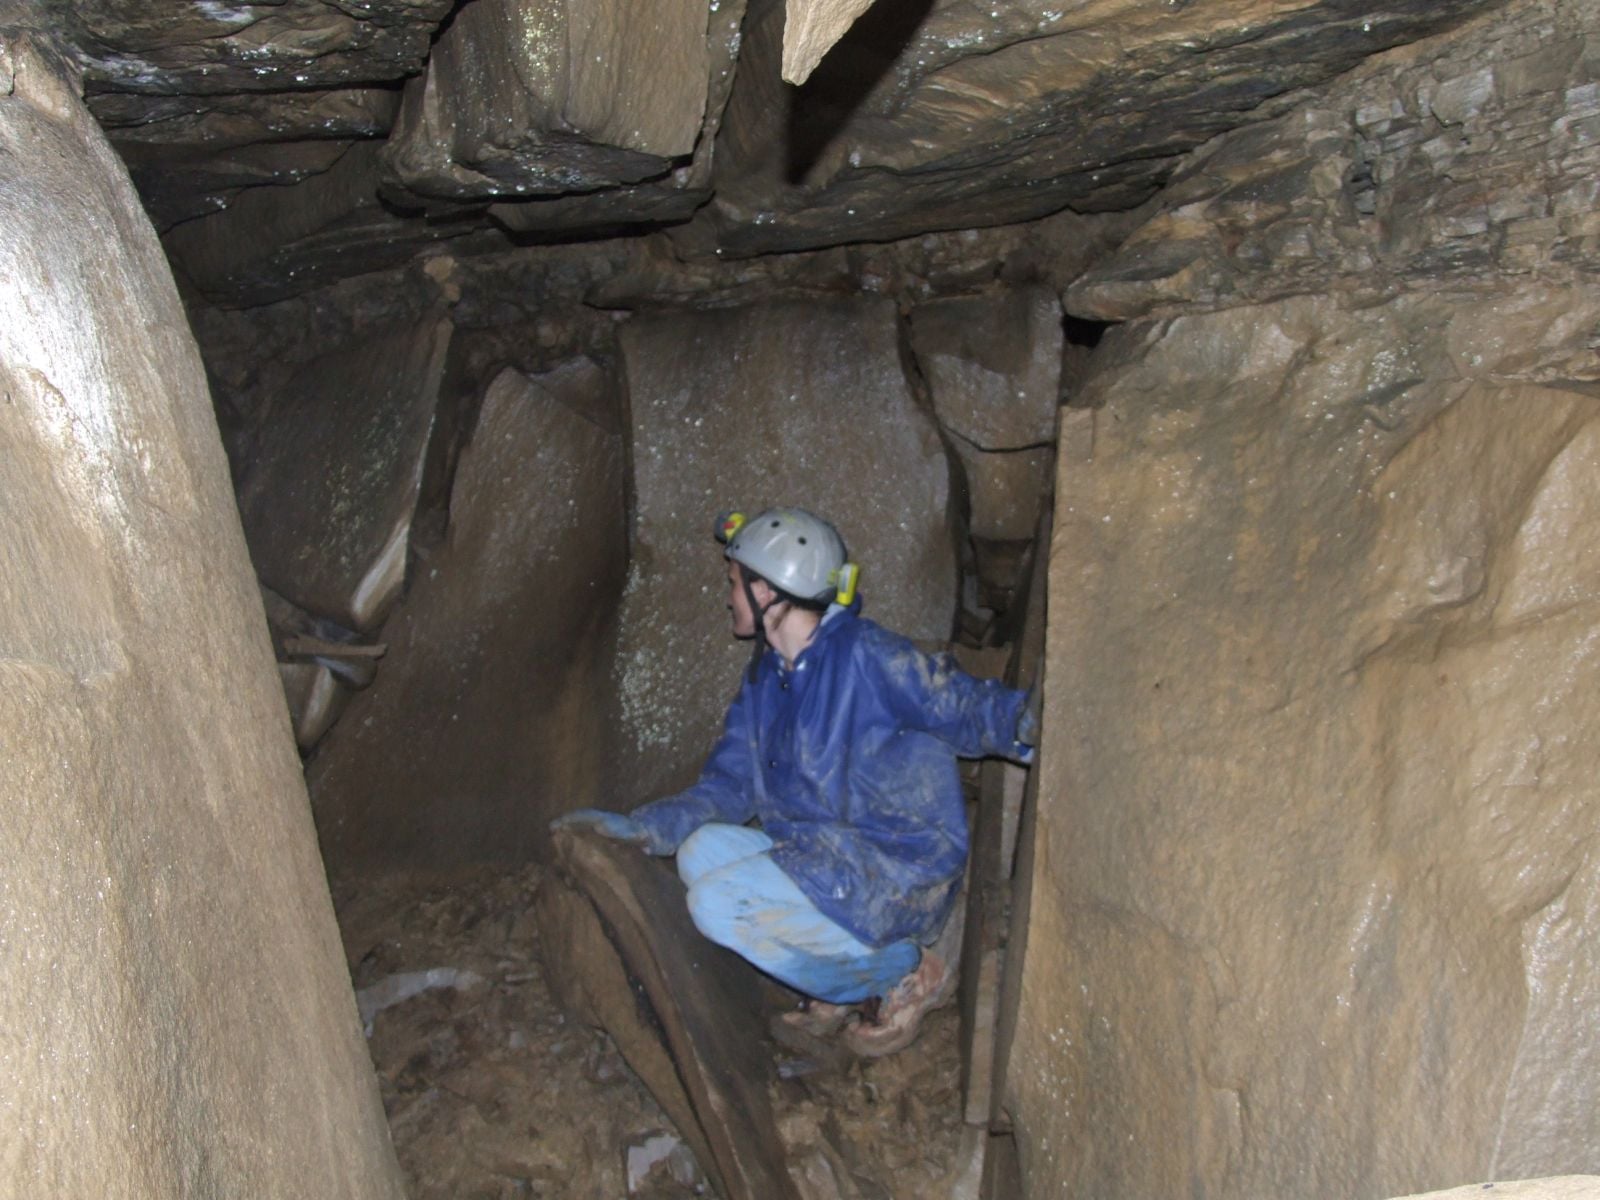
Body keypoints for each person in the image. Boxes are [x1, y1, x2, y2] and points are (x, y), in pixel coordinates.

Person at [553, 506, 1036, 1056]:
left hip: (896, 869)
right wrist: (644, 829)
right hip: (825, 856)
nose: (727, 595)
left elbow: (959, 704)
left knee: (715, 904)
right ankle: (834, 971)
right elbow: (728, 787)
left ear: (768, 592)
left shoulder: (866, 655)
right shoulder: (765, 679)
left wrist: (1024, 720)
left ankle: (898, 971)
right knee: (699, 850)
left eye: (734, 583)